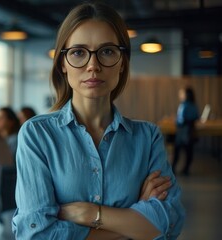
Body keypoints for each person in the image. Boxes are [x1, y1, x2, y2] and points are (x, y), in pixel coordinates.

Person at [12, 3, 185, 239]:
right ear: (62, 63)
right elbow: (37, 235)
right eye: (78, 52)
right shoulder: (37, 135)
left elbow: (170, 221)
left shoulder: (147, 137)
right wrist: (134, 224)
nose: (93, 66)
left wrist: (89, 213)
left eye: (107, 51)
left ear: (122, 61)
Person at [172, 87, 199, 176]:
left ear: (186, 95)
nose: (180, 95)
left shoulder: (183, 106)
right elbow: (196, 117)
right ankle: (186, 169)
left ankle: (173, 168)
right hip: (190, 132)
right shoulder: (194, 105)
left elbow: (180, 121)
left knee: (177, 151)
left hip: (182, 132)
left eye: (181, 93)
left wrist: (175, 121)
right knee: (189, 151)